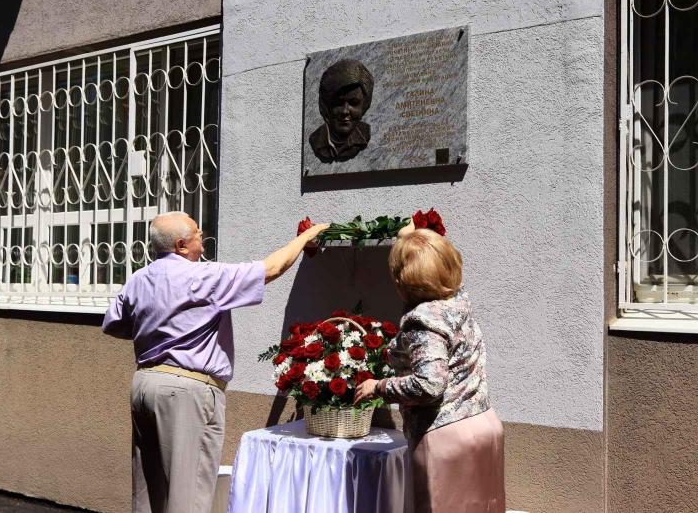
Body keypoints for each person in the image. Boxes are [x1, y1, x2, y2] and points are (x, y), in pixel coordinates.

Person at [102, 211, 328, 513]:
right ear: (182, 245)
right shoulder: (202, 276)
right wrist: (305, 237)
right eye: (198, 234)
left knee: (150, 492)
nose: (203, 241)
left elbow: (114, 324)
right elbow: (271, 269)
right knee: (189, 496)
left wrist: (158, 332)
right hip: (187, 390)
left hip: (145, 383)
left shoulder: (139, 279)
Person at [354, 227, 505, 513]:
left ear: (403, 280)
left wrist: (380, 386)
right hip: (484, 424)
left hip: (447, 437)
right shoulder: (458, 302)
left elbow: (429, 384)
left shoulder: (423, 321)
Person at [309, 58, 374, 162]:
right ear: (326, 106)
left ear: (365, 105)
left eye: (354, 103)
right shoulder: (316, 140)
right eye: (338, 103)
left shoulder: (365, 134)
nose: (345, 111)